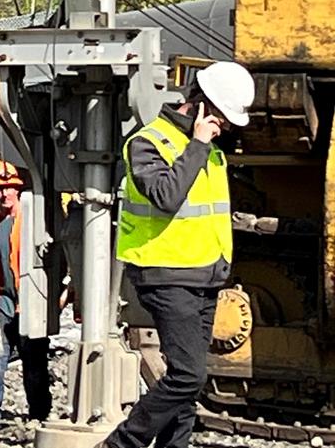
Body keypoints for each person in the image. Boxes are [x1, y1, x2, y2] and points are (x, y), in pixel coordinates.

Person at [101, 61, 254, 448]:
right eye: (222, 117)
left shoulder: (212, 153)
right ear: (200, 104)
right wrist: (199, 143)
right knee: (188, 377)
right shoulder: (148, 142)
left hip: (204, 276)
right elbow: (166, 197)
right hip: (166, 274)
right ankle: (121, 444)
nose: (227, 127)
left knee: (185, 385)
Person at [0, 160, 51, 438]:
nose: (3, 194)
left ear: (18, 189)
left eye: (8, 188)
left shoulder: (33, 223)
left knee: (34, 363)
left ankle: (39, 416)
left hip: (30, 301)